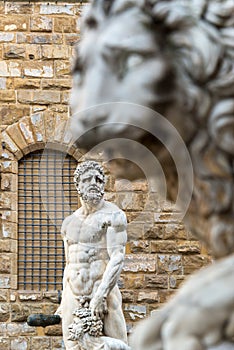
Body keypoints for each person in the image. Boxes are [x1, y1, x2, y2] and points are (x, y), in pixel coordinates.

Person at [58, 161, 129, 350]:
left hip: (102, 291)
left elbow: (117, 257)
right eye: (87, 179)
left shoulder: (114, 215)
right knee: (73, 345)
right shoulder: (68, 223)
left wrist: (101, 295)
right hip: (73, 294)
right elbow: (69, 263)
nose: (94, 183)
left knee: (119, 346)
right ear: (78, 185)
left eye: (98, 179)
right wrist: (65, 297)